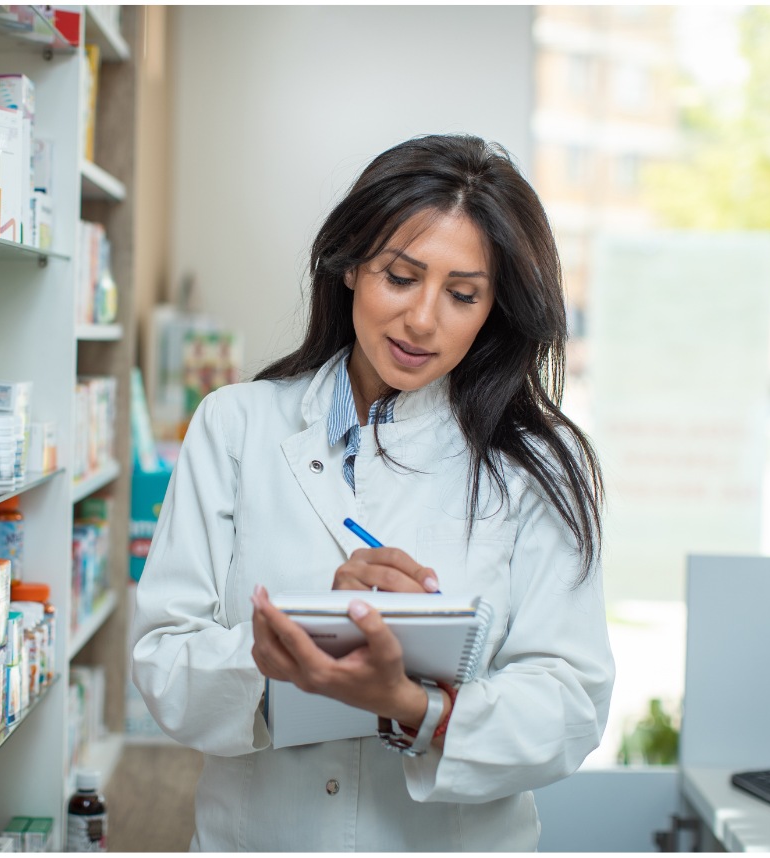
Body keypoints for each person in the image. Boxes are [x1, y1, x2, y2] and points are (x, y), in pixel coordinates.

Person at [131, 134, 615, 852]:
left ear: (493, 309)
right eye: (400, 276)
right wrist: (283, 662)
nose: (423, 319)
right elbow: (163, 660)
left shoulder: (538, 464)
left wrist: (414, 708)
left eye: (462, 294)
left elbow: (571, 703)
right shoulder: (236, 426)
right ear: (353, 265)